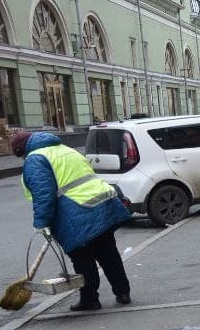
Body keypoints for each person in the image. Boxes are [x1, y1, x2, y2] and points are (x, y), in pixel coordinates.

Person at [12, 130, 133, 312]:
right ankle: (123, 292)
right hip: (103, 203)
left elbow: (43, 194)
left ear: (21, 151)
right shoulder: (65, 149)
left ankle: (90, 299)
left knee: (82, 259)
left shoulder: (35, 159)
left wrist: (41, 223)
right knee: (108, 252)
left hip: (78, 211)